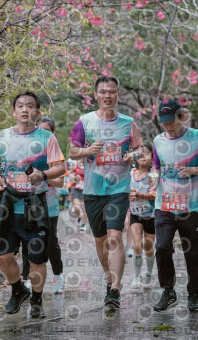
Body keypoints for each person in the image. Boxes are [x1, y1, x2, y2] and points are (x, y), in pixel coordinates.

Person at [68, 75, 142, 308]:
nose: (107, 95)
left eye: (111, 91)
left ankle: (115, 289)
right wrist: (88, 150)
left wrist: (133, 156)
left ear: (117, 95)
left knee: (114, 236)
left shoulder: (128, 123)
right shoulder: (84, 122)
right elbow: (72, 151)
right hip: (93, 190)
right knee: (100, 240)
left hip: (119, 189)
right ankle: (109, 279)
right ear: (96, 95)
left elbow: (141, 150)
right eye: (103, 91)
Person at [0, 91, 66, 319]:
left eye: (30, 106)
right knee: (3, 257)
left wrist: (42, 175)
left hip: (35, 207)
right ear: (14, 111)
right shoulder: (2, 136)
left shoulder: (47, 138)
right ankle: (18, 289)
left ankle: (36, 300)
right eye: (21, 106)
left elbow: (60, 168)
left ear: (37, 111)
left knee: (36, 259)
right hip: (8, 206)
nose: (25, 109)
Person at [150, 98, 198, 312]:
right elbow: (156, 168)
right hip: (164, 205)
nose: (168, 126)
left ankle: (194, 293)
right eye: (164, 122)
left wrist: (193, 170)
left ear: (181, 117)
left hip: (192, 207)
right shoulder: (158, 141)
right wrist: (153, 177)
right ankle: (168, 291)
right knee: (162, 247)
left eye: (172, 121)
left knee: (193, 253)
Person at [19, 116, 65, 294]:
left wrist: (43, 175)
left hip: (49, 204)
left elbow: (60, 182)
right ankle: (27, 279)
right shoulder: (26, 151)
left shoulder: (54, 154)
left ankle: (58, 276)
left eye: (47, 131)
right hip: (28, 203)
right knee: (27, 241)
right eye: (40, 130)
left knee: (51, 241)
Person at [128, 144, 157, 289]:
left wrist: (139, 195)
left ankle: (149, 273)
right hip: (135, 215)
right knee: (137, 245)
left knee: (148, 247)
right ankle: (137, 277)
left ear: (152, 157)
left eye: (146, 154)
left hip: (151, 216)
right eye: (140, 154)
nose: (143, 156)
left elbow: (154, 195)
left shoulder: (153, 176)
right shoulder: (130, 173)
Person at [71, 159, 88, 231]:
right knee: (76, 207)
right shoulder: (75, 164)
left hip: (86, 190)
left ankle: (84, 224)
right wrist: (75, 177)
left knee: (85, 208)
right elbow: (69, 173)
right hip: (77, 189)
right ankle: (79, 215)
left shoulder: (89, 163)